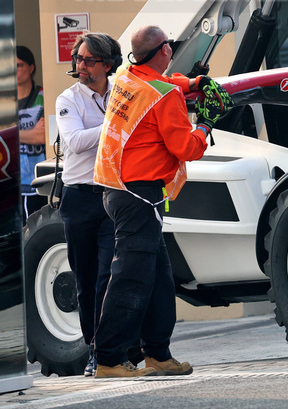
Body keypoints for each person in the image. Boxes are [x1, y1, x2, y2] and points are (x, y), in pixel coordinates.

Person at [92, 27, 210, 379]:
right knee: (131, 278)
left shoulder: (128, 75)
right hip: (139, 195)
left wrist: (192, 84)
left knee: (158, 278)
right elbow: (187, 148)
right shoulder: (162, 97)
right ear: (163, 50)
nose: (172, 49)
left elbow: (163, 83)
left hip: (121, 190)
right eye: (170, 45)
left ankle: (157, 353)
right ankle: (109, 359)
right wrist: (205, 125)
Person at [55, 33, 123, 377]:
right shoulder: (67, 98)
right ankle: (95, 351)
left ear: (107, 66)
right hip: (79, 199)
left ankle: (112, 350)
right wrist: (116, 125)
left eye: (88, 60)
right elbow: (76, 142)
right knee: (85, 281)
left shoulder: (121, 93)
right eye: (78, 59)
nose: (80, 66)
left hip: (113, 195)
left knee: (109, 277)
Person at [16, 45, 47, 220]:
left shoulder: (43, 95)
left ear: (31, 67)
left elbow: (42, 136)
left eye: (19, 65)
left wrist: (11, 134)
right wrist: (29, 134)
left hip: (35, 181)